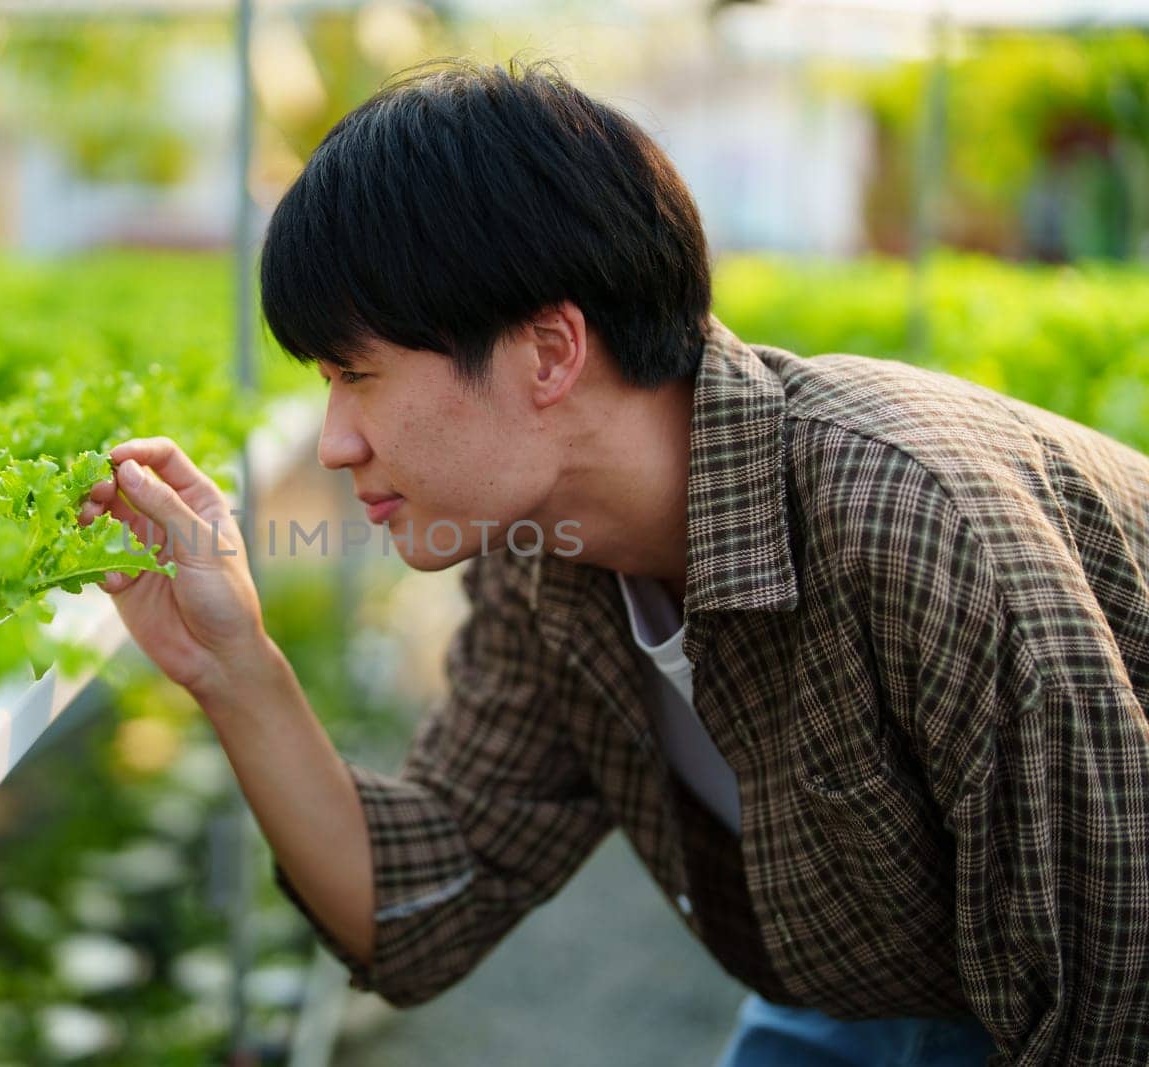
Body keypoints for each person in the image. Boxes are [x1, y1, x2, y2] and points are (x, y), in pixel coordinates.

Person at [75, 58, 1149, 1066]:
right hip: (873, 987)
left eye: (358, 375)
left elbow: (1107, 988)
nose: (334, 441)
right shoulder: (543, 561)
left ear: (548, 351)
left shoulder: (908, 515)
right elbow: (420, 905)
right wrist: (234, 663)